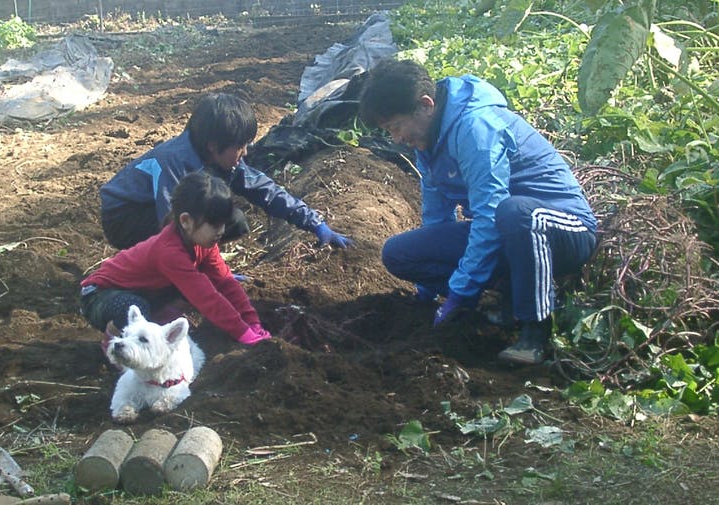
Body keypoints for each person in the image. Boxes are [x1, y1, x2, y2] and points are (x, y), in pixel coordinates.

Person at [359, 58, 597, 365]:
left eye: (396, 127)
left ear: (425, 105)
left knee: (514, 213)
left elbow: (490, 212)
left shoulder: (475, 127)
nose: (397, 139)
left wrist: (460, 292)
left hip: (562, 229)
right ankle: (503, 300)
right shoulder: (428, 141)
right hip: (509, 231)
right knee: (398, 253)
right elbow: (437, 219)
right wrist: (427, 293)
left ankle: (535, 329)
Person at [99, 92, 353, 250]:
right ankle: (157, 277)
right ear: (214, 145)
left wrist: (315, 224)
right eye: (240, 146)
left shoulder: (220, 158)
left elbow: (264, 190)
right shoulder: (172, 163)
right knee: (187, 230)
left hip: (164, 212)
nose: (245, 152)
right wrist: (204, 273)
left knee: (234, 220)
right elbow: (171, 223)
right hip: (126, 217)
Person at [80, 171, 272, 351]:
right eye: (215, 225)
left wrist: (252, 322)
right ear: (186, 221)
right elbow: (207, 298)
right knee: (133, 309)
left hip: (147, 291)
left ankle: (157, 323)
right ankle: (113, 342)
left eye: (223, 224)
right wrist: (243, 333)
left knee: (195, 286)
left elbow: (226, 282)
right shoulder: (169, 252)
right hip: (99, 294)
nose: (221, 232)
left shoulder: (204, 244)